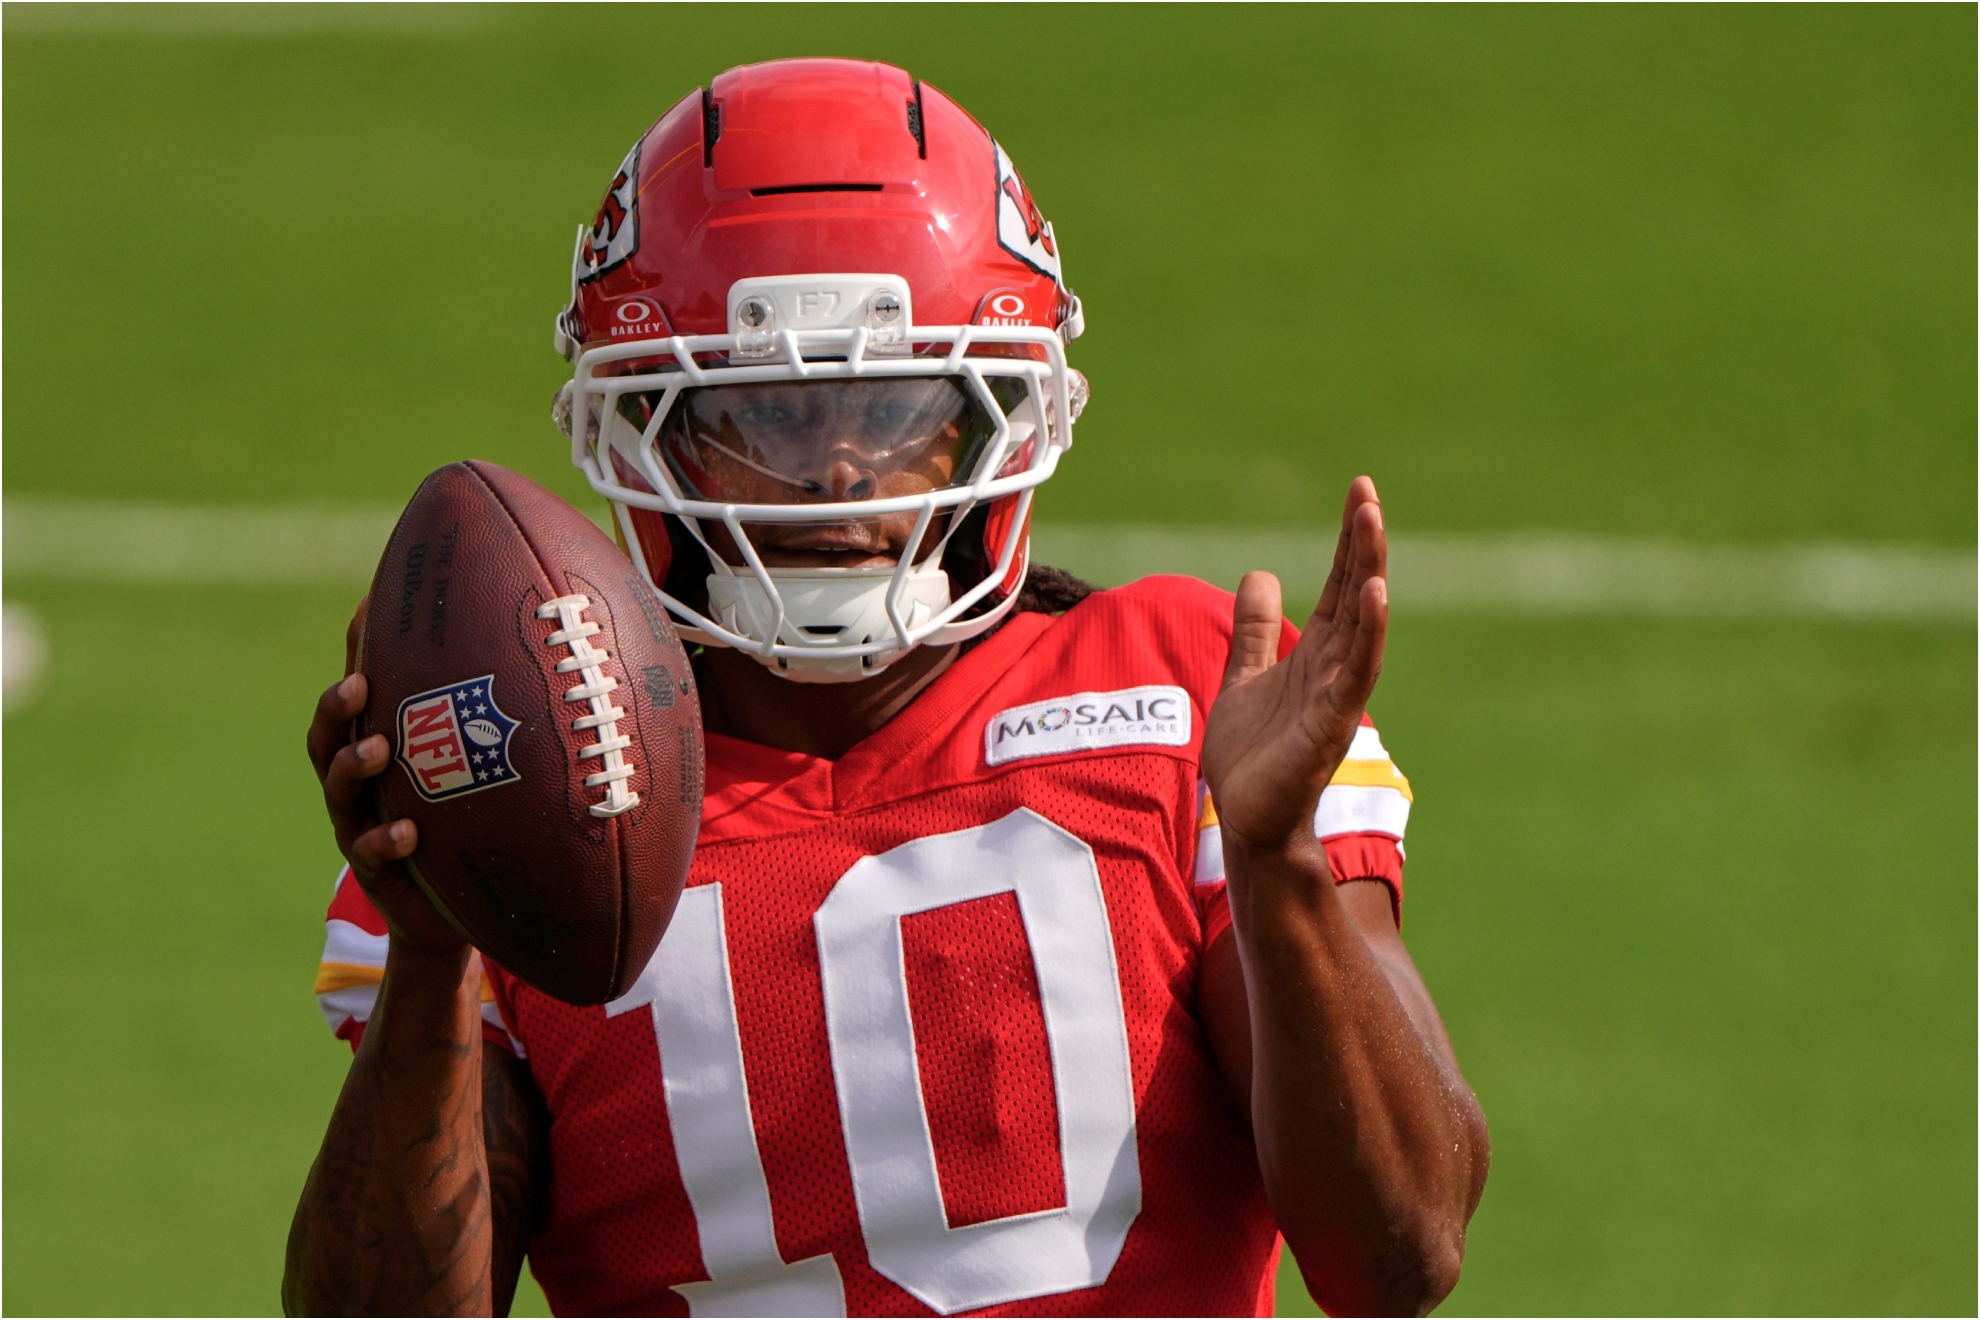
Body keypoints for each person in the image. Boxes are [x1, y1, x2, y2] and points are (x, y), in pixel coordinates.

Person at [286, 58, 1488, 1318]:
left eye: (902, 407)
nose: (839, 472)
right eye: (761, 419)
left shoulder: (1191, 687)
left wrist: (1278, 862)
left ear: (1005, 416)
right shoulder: (544, 791)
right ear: (641, 428)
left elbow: (1398, 1259)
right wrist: (431, 947)